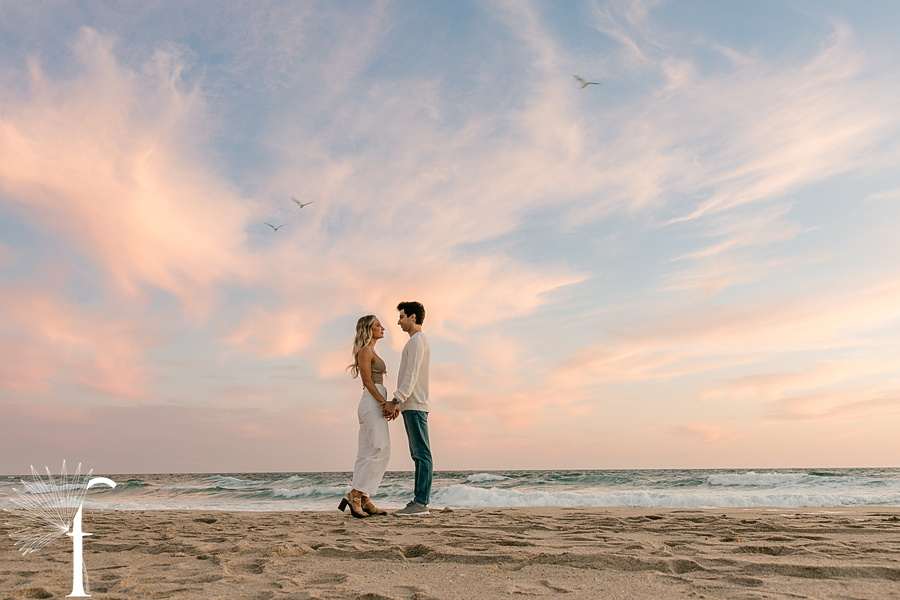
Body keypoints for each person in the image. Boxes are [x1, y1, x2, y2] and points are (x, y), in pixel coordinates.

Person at [339, 315, 393, 518]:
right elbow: (368, 381)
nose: (383, 328)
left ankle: (364, 499)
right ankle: (356, 494)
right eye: (378, 325)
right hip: (372, 401)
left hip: (372, 401)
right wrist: (384, 403)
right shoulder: (365, 351)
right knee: (382, 449)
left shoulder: (371, 351)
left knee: (366, 453)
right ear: (368, 329)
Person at [383, 301, 432, 516]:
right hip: (411, 404)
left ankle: (421, 503)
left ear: (413, 317)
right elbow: (409, 375)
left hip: (415, 404)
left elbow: (410, 376)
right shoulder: (415, 342)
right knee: (418, 454)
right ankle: (419, 501)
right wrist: (399, 403)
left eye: (401, 316)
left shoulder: (417, 341)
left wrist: (396, 400)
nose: (398, 321)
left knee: (421, 454)